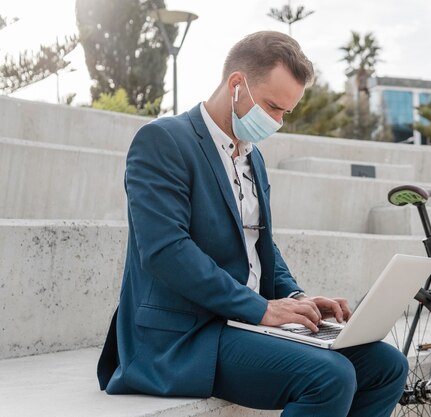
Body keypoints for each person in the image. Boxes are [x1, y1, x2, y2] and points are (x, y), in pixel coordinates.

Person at [97, 31, 408, 417]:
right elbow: (166, 252)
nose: (277, 122)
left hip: (245, 322)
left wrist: (296, 300)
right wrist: (261, 309)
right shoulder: (162, 141)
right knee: (330, 377)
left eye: (285, 113)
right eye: (272, 107)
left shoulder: (253, 158)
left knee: (388, 366)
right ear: (236, 85)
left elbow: (260, 246)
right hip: (187, 334)